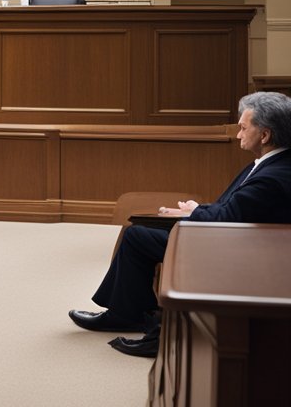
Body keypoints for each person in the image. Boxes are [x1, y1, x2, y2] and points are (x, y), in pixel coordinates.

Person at [69, 91, 291, 357]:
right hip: (237, 241)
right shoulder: (271, 164)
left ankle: (139, 320)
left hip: (239, 254)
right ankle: (127, 313)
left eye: (243, 128)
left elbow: (227, 218)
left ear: (265, 135)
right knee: (136, 233)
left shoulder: (272, 176)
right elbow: (234, 209)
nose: (238, 134)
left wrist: (195, 212)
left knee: (138, 237)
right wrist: (193, 212)